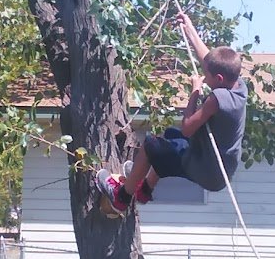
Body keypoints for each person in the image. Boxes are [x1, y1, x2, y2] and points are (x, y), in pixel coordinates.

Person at [96, 12, 247, 217]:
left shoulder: (218, 99)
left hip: (208, 171)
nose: (204, 75)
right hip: (217, 166)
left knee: (151, 145)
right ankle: (145, 190)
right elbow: (209, 61)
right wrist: (190, 29)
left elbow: (187, 128)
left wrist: (194, 91)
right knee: (169, 136)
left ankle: (121, 197)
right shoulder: (237, 84)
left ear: (219, 78)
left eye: (207, 76)